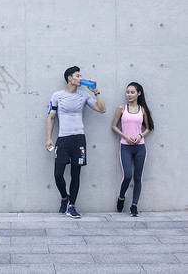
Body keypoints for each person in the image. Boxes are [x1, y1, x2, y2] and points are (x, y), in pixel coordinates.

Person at [46, 66, 106, 218]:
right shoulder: (57, 96)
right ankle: (64, 198)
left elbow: (102, 109)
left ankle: (72, 206)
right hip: (63, 139)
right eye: (78, 76)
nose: (81, 78)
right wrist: (48, 138)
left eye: (81, 76)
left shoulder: (84, 96)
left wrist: (96, 92)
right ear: (70, 78)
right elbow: (51, 117)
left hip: (79, 139)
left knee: (76, 174)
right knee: (58, 174)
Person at [111, 82, 154, 217]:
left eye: (132, 92)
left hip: (140, 147)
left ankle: (134, 205)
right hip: (125, 146)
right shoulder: (121, 108)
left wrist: (141, 135)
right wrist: (125, 136)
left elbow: (148, 128)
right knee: (128, 175)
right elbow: (114, 126)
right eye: (128, 92)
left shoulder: (143, 110)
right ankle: (121, 197)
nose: (129, 95)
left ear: (139, 93)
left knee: (137, 177)